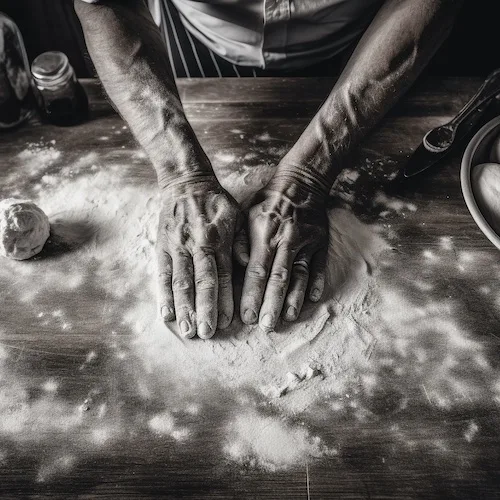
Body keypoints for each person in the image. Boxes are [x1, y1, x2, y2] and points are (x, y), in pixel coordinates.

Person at [74, 0, 462, 339]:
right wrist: (182, 174)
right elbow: (107, 5)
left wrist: (308, 174)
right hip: (199, 40)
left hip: (369, 41)